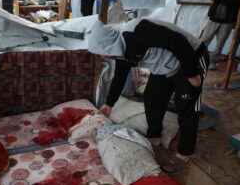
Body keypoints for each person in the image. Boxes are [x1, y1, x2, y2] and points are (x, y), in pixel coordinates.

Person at [88, 18, 209, 173]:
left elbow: (177, 41)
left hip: (191, 59)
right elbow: (119, 76)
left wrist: (192, 74)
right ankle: (154, 136)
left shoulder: (138, 31)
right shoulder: (121, 51)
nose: (103, 57)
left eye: (102, 52)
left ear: (109, 44)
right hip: (165, 67)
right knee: (152, 97)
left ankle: (184, 153)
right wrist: (109, 104)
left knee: (187, 105)